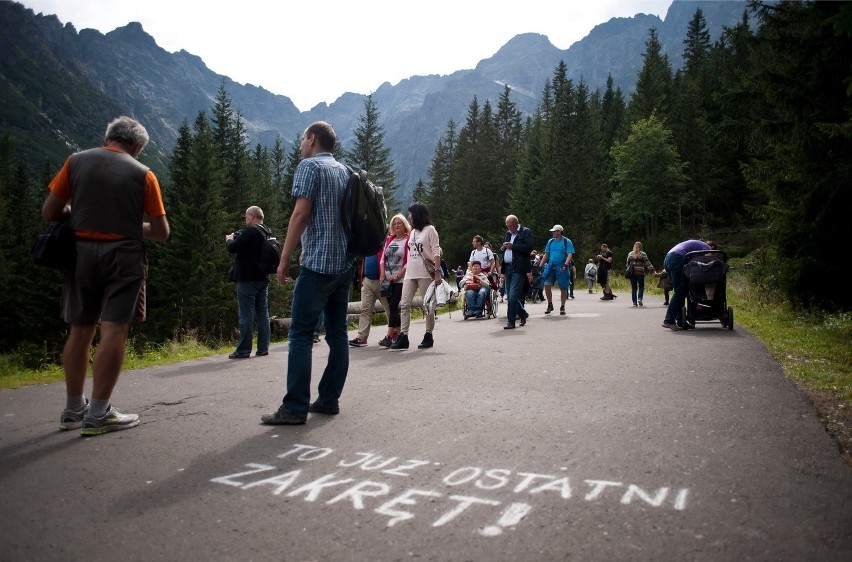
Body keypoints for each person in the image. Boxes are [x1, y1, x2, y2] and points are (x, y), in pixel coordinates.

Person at [42, 116, 170, 436]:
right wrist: (129, 227)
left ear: (108, 137)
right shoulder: (144, 175)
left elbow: (50, 212)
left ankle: (73, 408)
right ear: (138, 146)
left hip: (81, 254)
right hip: (124, 259)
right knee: (113, 330)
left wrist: (77, 214)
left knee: (79, 329)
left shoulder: (75, 162)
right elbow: (160, 232)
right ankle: (99, 413)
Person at [262, 121, 354, 425]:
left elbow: (300, 214)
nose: (301, 144)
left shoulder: (309, 167)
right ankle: (329, 400)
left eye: (303, 138)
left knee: (300, 334)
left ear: (312, 139)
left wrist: (284, 258)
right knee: (338, 334)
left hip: (317, 265)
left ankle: (295, 407)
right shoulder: (345, 171)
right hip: (344, 266)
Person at [391, 202, 442, 350]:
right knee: (404, 304)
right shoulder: (412, 232)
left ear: (418, 214)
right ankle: (404, 336)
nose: (410, 216)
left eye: (411, 214)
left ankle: (428, 335)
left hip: (425, 273)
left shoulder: (430, 230)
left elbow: (436, 252)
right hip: (410, 272)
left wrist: (437, 272)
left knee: (427, 305)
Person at [225, 206, 272, 358]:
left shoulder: (250, 231)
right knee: (263, 314)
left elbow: (233, 248)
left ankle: (244, 350)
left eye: (246, 217)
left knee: (246, 315)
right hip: (262, 278)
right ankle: (263, 347)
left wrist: (229, 239)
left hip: (247, 279)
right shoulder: (267, 231)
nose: (245, 220)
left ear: (251, 216)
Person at [662, 239, 712, 330]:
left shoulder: (696, 245)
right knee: (679, 292)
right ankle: (669, 320)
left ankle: (681, 321)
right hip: (676, 258)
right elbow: (708, 260)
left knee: (682, 291)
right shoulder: (707, 247)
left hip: (668, 258)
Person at [378, 214, 410, 347]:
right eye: (394, 223)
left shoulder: (408, 240)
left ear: (404, 225)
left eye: (399, 223)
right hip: (387, 280)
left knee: (393, 305)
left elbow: (409, 262)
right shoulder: (389, 239)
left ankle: (389, 336)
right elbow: (382, 259)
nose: (397, 225)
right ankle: (398, 336)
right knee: (393, 308)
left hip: (401, 279)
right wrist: (381, 275)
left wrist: (398, 275)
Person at [501, 215, 533, 329]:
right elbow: (505, 250)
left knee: (513, 295)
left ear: (516, 223)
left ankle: (511, 321)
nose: (510, 228)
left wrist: (513, 246)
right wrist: (504, 247)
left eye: (512, 225)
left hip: (519, 268)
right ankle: (523, 314)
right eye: (508, 225)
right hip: (508, 267)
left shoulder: (525, 232)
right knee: (510, 296)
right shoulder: (508, 234)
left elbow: (529, 247)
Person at [538, 224, 574, 316]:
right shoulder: (550, 242)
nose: (553, 233)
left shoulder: (566, 241)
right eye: (553, 231)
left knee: (563, 286)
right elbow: (546, 254)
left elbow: (570, 254)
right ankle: (550, 304)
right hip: (550, 266)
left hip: (562, 266)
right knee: (547, 284)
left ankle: (562, 306)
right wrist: (540, 265)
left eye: (554, 231)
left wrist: (566, 264)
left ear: (559, 232)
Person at [625, 241, 657, 307]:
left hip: (632, 273)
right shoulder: (643, 254)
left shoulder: (630, 254)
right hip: (640, 273)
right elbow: (648, 263)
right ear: (641, 248)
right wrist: (653, 270)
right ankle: (640, 299)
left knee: (634, 288)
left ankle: (634, 302)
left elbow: (627, 264)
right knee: (641, 287)